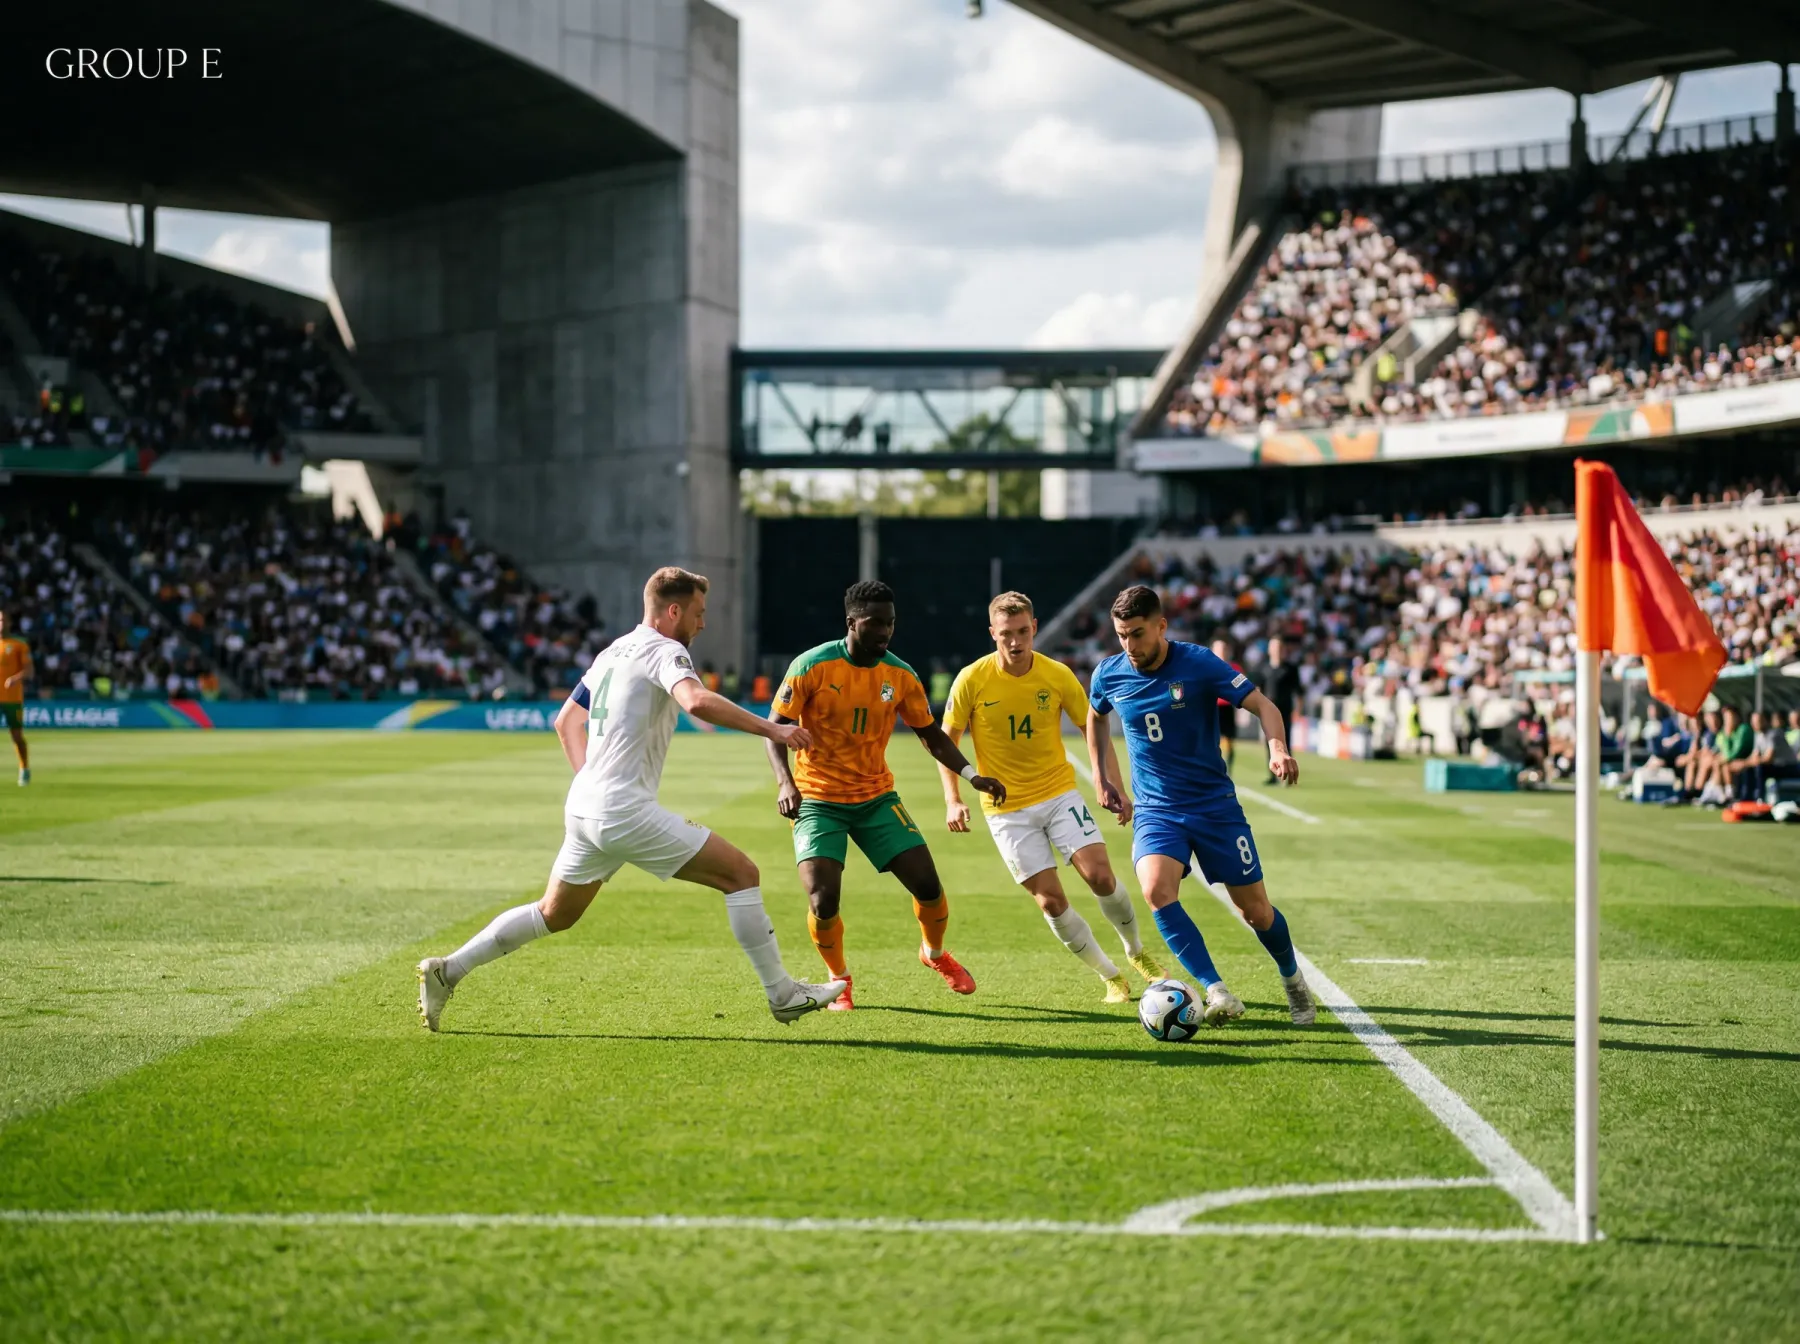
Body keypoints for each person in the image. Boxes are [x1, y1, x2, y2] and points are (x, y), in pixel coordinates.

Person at [417, 567, 846, 1031]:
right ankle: (782, 995)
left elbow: (566, 723)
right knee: (741, 875)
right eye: (698, 614)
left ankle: (448, 970)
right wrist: (774, 728)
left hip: (585, 805)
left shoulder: (611, 651)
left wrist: (594, 784)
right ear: (674, 610)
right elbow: (697, 702)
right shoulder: (666, 650)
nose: (702, 624)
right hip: (621, 810)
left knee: (553, 914)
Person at [767, 580, 1005, 1011]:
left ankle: (933, 954)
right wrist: (786, 783)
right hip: (818, 799)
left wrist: (972, 776)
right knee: (823, 899)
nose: (885, 632)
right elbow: (775, 731)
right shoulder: (811, 666)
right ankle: (839, 979)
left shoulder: (900, 674)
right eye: (876, 623)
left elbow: (930, 735)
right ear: (852, 623)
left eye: (891, 623)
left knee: (928, 886)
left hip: (876, 798)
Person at [1086, 586, 1316, 1026]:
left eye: (1137, 634)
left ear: (1161, 626)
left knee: (1257, 912)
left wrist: (1278, 748)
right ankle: (1217, 991)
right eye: (1120, 636)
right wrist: (1103, 777)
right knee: (1156, 890)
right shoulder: (1109, 674)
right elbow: (1095, 716)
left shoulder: (1199, 663)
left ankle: (1292, 981)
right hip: (1156, 810)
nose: (1129, 646)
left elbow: (1264, 705)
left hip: (1214, 807)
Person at [939, 591, 1164, 1004]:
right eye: (1006, 633)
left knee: (1099, 875)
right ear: (993, 633)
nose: (1015, 641)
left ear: (1035, 628)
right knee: (1051, 900)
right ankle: (1110, 976)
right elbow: (945, 741)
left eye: (1023, 631)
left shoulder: (1057, 675)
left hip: (1059, 793)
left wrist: (1109, 782)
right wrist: (953, 798)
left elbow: (1092, 728)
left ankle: (1136, 951)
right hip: (1006, 809)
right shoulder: (972, 678)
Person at [1255, 636, 1302, 782]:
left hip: (1285, 710)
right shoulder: (1263, 667)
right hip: (1268, 712)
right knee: (1269, 742)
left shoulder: (1291, 668)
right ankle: (1272, 775)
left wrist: (1298, 710)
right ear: (1269, 649)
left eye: (1279, 647)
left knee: (1286, 741)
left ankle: (1288, 773)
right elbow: (1256, 691)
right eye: (1274, 647)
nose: (1277, 650)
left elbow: (1298, 691)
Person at [0, 607, 30, 785]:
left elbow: (29, 670)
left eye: (3, 620)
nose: (1, 623)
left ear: (9, 623)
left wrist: (15, 678)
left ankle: (24, 768)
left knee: (16, 736)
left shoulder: (19, 645)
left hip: (12, 699)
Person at [1210, 635, 1241, 774]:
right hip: (1210, 708)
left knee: (1229, 740)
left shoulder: (1234, 669)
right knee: (1211, 740)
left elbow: (1243, 690)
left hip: (1227, 708)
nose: (1221, 651)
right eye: (1218, 649)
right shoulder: (1206, 668)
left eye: (1223, 649)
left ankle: (1229, 769)